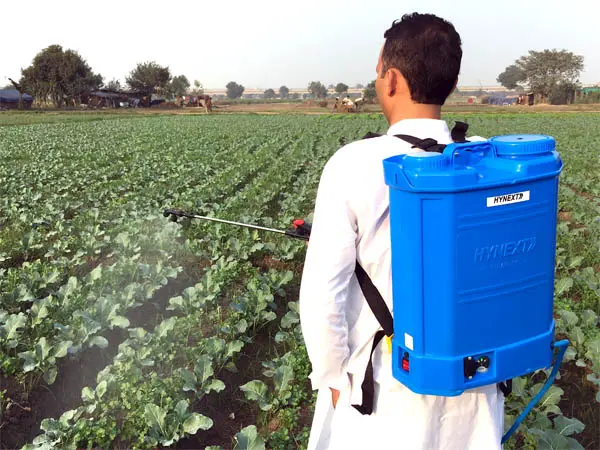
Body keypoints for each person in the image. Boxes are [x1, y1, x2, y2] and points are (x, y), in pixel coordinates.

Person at [299, 13, 504, 450]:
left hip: (387, 391)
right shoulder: (488, 161)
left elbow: (322, 295)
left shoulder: (354, 163)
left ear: (390, 79)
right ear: (449, 82)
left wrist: (334, 376)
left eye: (377, 73)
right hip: (478, 379)